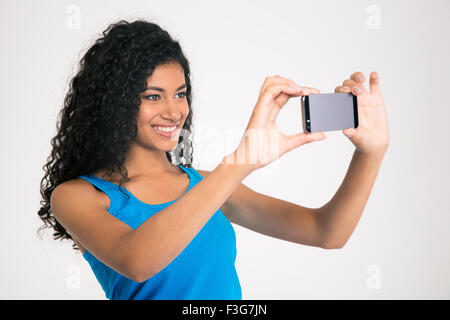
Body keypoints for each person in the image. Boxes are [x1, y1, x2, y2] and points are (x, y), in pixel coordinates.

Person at [38, 19, 390, 300]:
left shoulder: (208, 185)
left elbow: (326, 232)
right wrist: (240, 162)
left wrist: (370, 152)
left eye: (180, 94)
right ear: (115, 104)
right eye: (153, 96)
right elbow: (139, 260)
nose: (174, 111)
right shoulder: (77, 196)